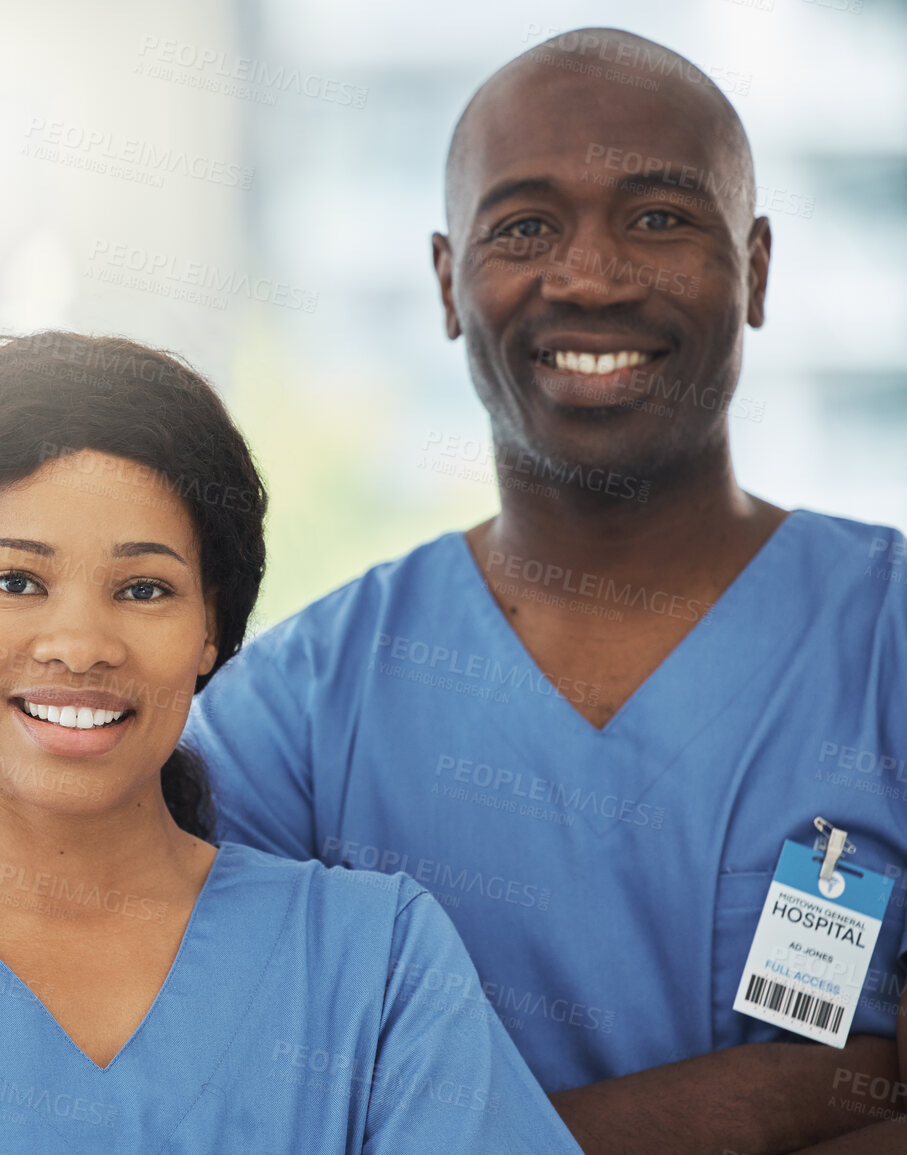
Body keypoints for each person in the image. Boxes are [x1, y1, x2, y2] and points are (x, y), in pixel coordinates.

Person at [183, 27, 907, 1155]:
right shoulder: (297, 717)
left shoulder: (888, 637)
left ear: (756, 268)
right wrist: (821, 1089)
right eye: (524, 225)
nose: (591, 275)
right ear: (447, 284)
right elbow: (238, 1117)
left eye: (660, 217)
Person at [0, 331, 580, 1153]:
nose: (80, 644)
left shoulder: (376, 964)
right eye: (15, 582)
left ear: (211, 628)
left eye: (145, 589)